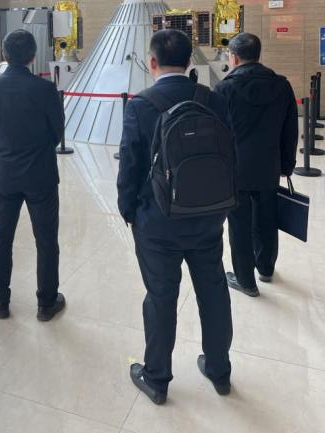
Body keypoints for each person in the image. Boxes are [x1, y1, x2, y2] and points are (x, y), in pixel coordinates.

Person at [117, 29, 233, 405]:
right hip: (208, 216)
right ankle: (219, 369)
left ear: (152, 62)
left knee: (161, 296)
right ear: (188, 61)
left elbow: (130, 166)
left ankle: (157, 378)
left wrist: (129, 211)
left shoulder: (140, 105)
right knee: (213, 290)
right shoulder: (212, 99)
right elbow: (228, 155)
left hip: (157, 222)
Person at [0, 29, 65, 321]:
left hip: (6, 174)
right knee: (46, 239)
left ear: (4, 54)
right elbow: (57, 132)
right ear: (33, 56)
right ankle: (47, 303)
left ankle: (0, 299)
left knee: (1, 236)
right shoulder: (45, 90)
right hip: (41, 173)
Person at [215, 32, 298, 296]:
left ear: (234, 57)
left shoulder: (224, 89)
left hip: (235, 170)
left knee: (238, 224)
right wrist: (286, 165)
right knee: (267, 218)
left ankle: (245, 281)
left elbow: (217, 134)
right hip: (269, 165)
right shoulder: (282, 86)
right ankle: (266, 268)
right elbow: (290, 130)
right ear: (258, 55)